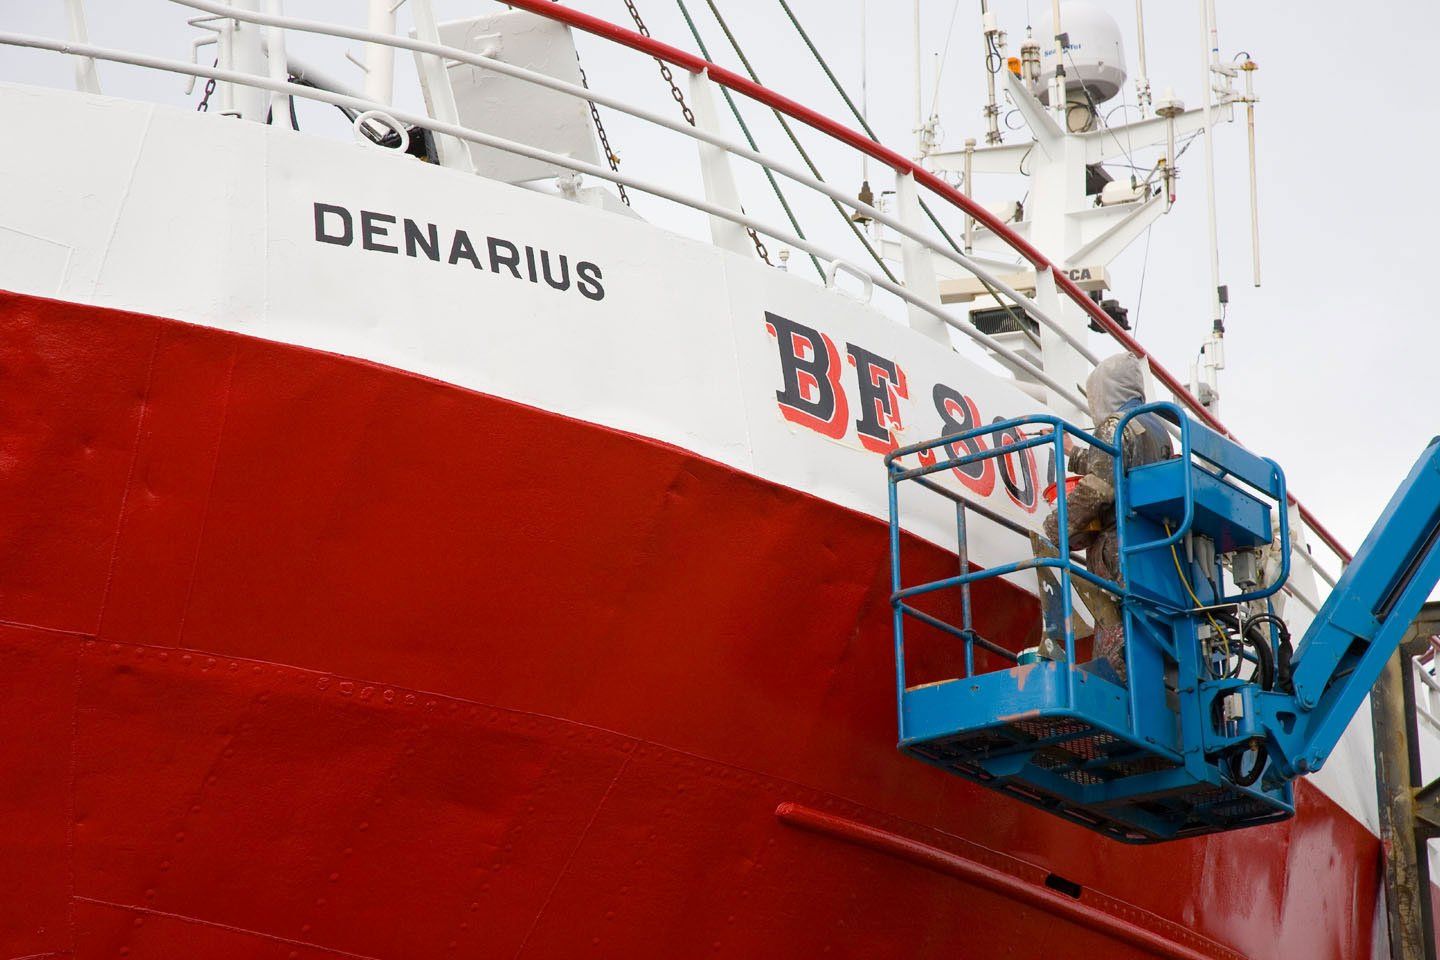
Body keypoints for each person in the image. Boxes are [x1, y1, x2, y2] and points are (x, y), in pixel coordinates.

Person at [1037, 353, 1173, 682]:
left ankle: (1116, 690)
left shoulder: (1114, 425)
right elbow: (1120, 467)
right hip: (1156, 549)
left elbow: (1098, 488)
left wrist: (1053, 529)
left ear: (1105, 390)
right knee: (1145, 633)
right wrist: (1074, 454)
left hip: (1118, 550)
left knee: (1115, 640)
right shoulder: (1156, 429)